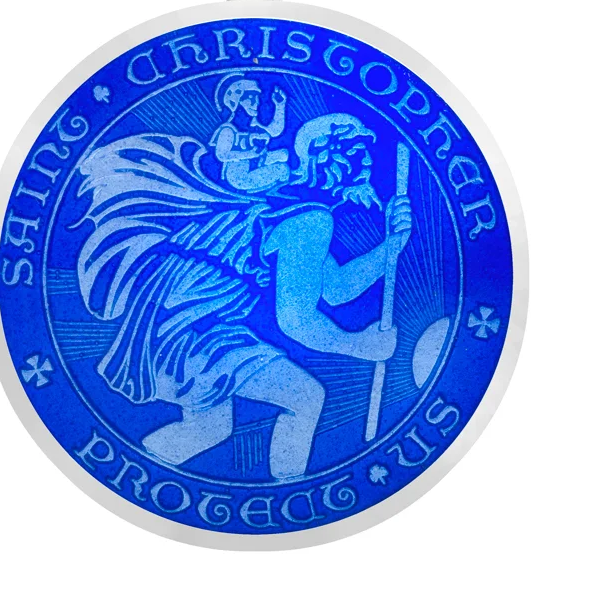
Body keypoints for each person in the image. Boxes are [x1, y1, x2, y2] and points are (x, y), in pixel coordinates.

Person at [74, 114, 413, 480]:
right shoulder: (309, 220)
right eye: (357, 151)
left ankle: (134, 473)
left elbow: (333, 289)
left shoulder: (293, 203)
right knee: (305, 398)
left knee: (208, 428)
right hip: (199, 331)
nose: (368, 163)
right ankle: (289, 494)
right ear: (324, 156)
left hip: (177, 321)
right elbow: (296, 320)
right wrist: (359, 346)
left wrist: (392, 247)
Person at [209, 76, 290, 192]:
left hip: (257, 163)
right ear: (236, 101)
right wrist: (250, 154)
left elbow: (275, 131)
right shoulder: (228, 130)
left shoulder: (255, 126)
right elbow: (221, 155)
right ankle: (269, 192)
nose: (256, 103)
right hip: (239, 176)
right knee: (283, 169)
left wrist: (280, 106)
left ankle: (271, 190)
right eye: (251, 98)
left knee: (284, 154)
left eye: (257, 98)